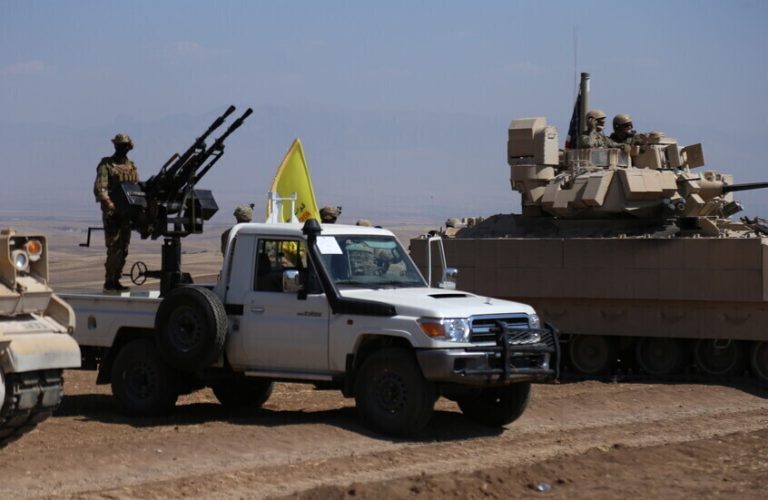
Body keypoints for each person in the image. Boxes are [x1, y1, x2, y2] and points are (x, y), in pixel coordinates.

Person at [93, 133, 139, 292]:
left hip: (127, 213)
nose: (122, 148)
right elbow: (100, 188)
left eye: (125, 146)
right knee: (114, 247)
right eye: (119, 146)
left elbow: (135, 187)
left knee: (124, 247)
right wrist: (109, 204)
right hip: (113, 214)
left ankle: (116, 278)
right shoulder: (106, 165)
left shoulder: (131, 166)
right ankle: (110, 280)